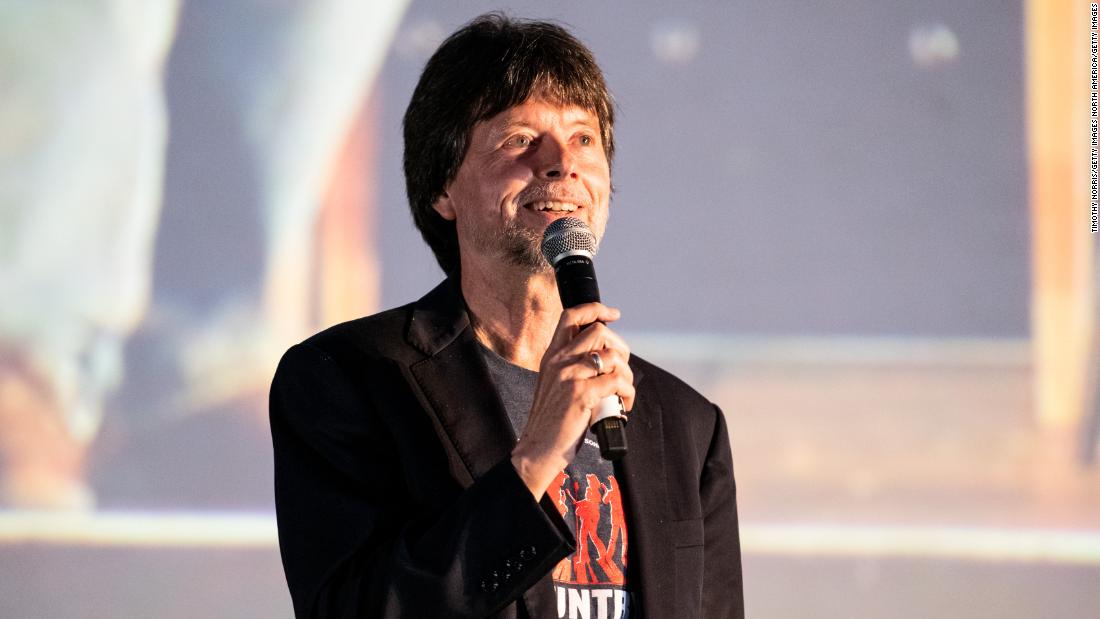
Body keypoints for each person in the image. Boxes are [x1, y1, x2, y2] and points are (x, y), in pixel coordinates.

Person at [270, 13, 743, 619]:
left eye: (584, 139)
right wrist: (535, 457)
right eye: (521, 139)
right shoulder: (345, 380)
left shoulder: (687, 425)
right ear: (444, 186)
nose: (561, 166)